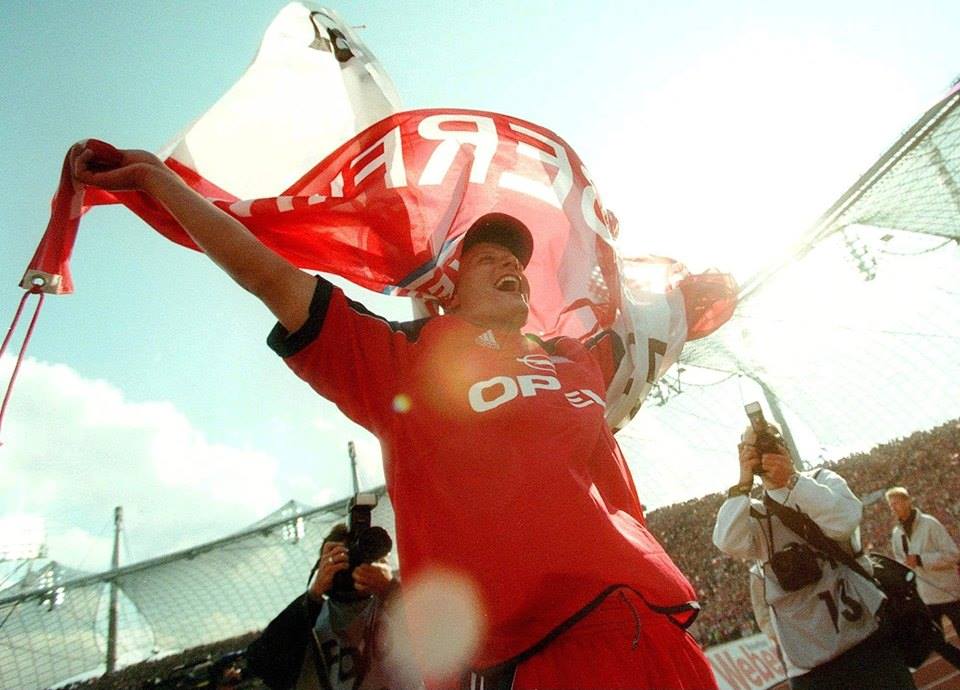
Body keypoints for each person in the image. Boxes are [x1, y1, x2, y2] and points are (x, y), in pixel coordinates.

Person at [69, 143, 717, 689]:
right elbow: (271, 278)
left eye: (514, 260)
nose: (508, 266)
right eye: (487, 258)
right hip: (549, 657)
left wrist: (702, 296)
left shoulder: (573, 357)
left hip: (661, 631)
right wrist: (159, 183)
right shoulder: (400, 362)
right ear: (450, 293)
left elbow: (655, 326)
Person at [713, 423, 916, 689]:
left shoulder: (822, 480)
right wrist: (743, 483)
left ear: (784, 445)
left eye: (770, 441)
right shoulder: (753, 513)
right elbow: (727, 542)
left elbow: (844, 522)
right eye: (755, 446)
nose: (765, 450)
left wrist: (793, 482)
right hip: (810, 662)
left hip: (867, 641)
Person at [246, 523, 397, 690]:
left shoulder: (395, 609)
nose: (354, 566)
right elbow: (260, 663)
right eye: (342, 558)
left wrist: (391, 590)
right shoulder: (308, 620)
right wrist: (313, 595)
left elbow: (429, 640)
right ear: (324, 565)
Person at [886, 487, 960, 649]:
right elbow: (902, 562)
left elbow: (953, 554)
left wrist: (921, 560)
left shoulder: (929, 523)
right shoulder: (897, 534)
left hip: (949, 592)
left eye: (896, 503)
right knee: (937, 643)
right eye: (891, 505)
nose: (893, 508)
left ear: (907, 501)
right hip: (926, 597)